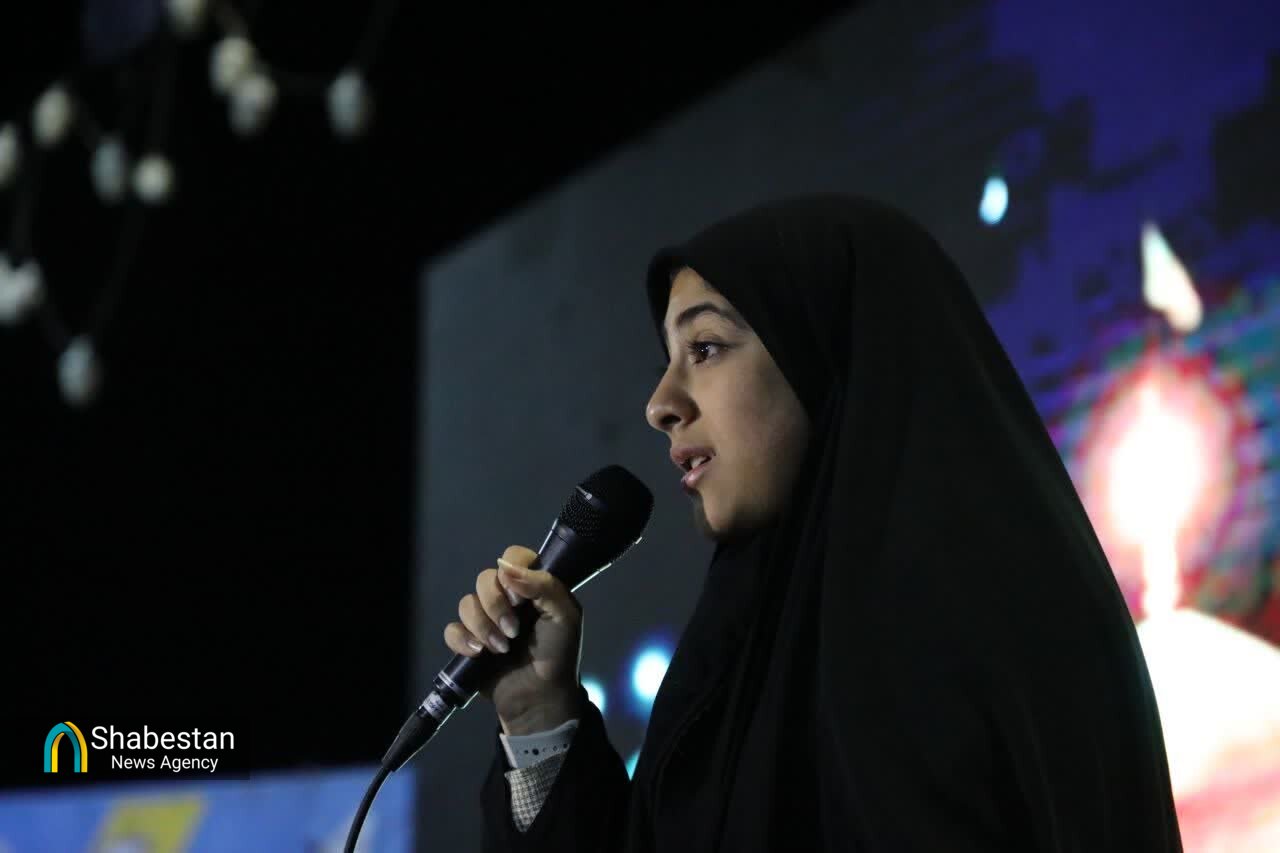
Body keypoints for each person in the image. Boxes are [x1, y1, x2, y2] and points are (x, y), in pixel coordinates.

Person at [442, 194, 1185, 851]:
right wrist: (537, 716)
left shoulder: (979, 622)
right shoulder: (740, 653)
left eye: (705, 348)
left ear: (827, 352)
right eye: (668, 359)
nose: (660, 403)